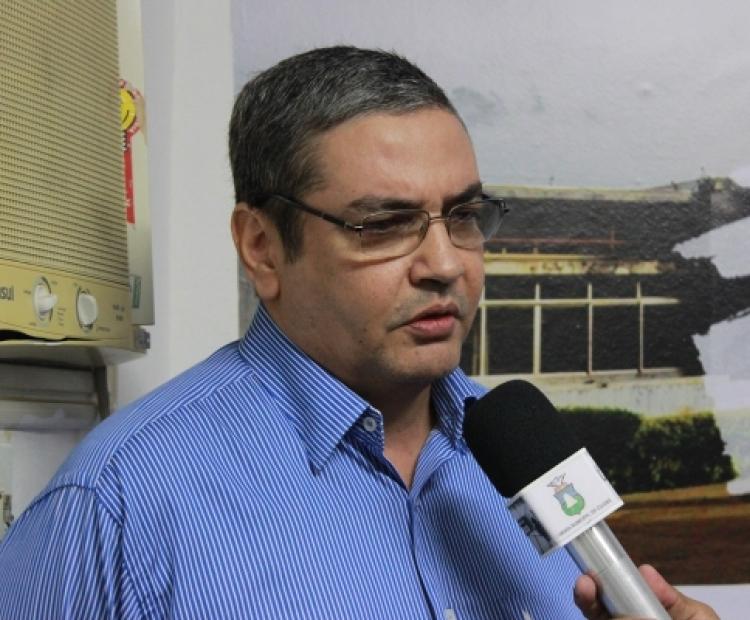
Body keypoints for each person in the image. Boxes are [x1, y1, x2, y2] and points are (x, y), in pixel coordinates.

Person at [0, 46, 717, 620]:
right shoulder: (116, 504)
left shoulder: (522, 454)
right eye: (383, 225)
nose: (445, 265)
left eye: (464, 216)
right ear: (262, 248)